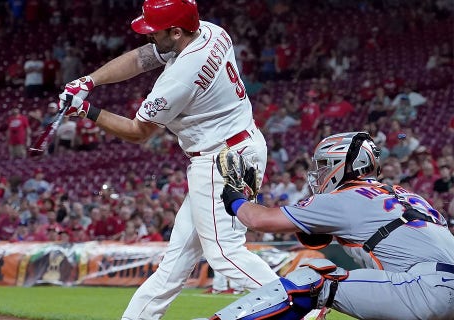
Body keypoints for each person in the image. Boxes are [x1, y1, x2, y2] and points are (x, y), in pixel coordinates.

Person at [57, 1, 278, 318]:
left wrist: (86, 110)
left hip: (220, 158)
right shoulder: (212, 31)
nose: (148, 37)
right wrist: (89, 81)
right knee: (176, 262)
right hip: (241, 144)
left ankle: (302, 308)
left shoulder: (180, 77)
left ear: (176, 32)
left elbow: (138, 132)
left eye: (154, 31)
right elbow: (143, 58)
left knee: (224, 252)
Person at [209, 132, 454, 320]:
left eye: (325, 165)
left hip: (427, 290)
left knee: (316, 278)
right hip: (433, 286)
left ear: (344, 166)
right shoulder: (404, 195)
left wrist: (235, 196)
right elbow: (317, 238)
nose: (320, 172)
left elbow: (258, 220)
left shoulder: (344, 197)